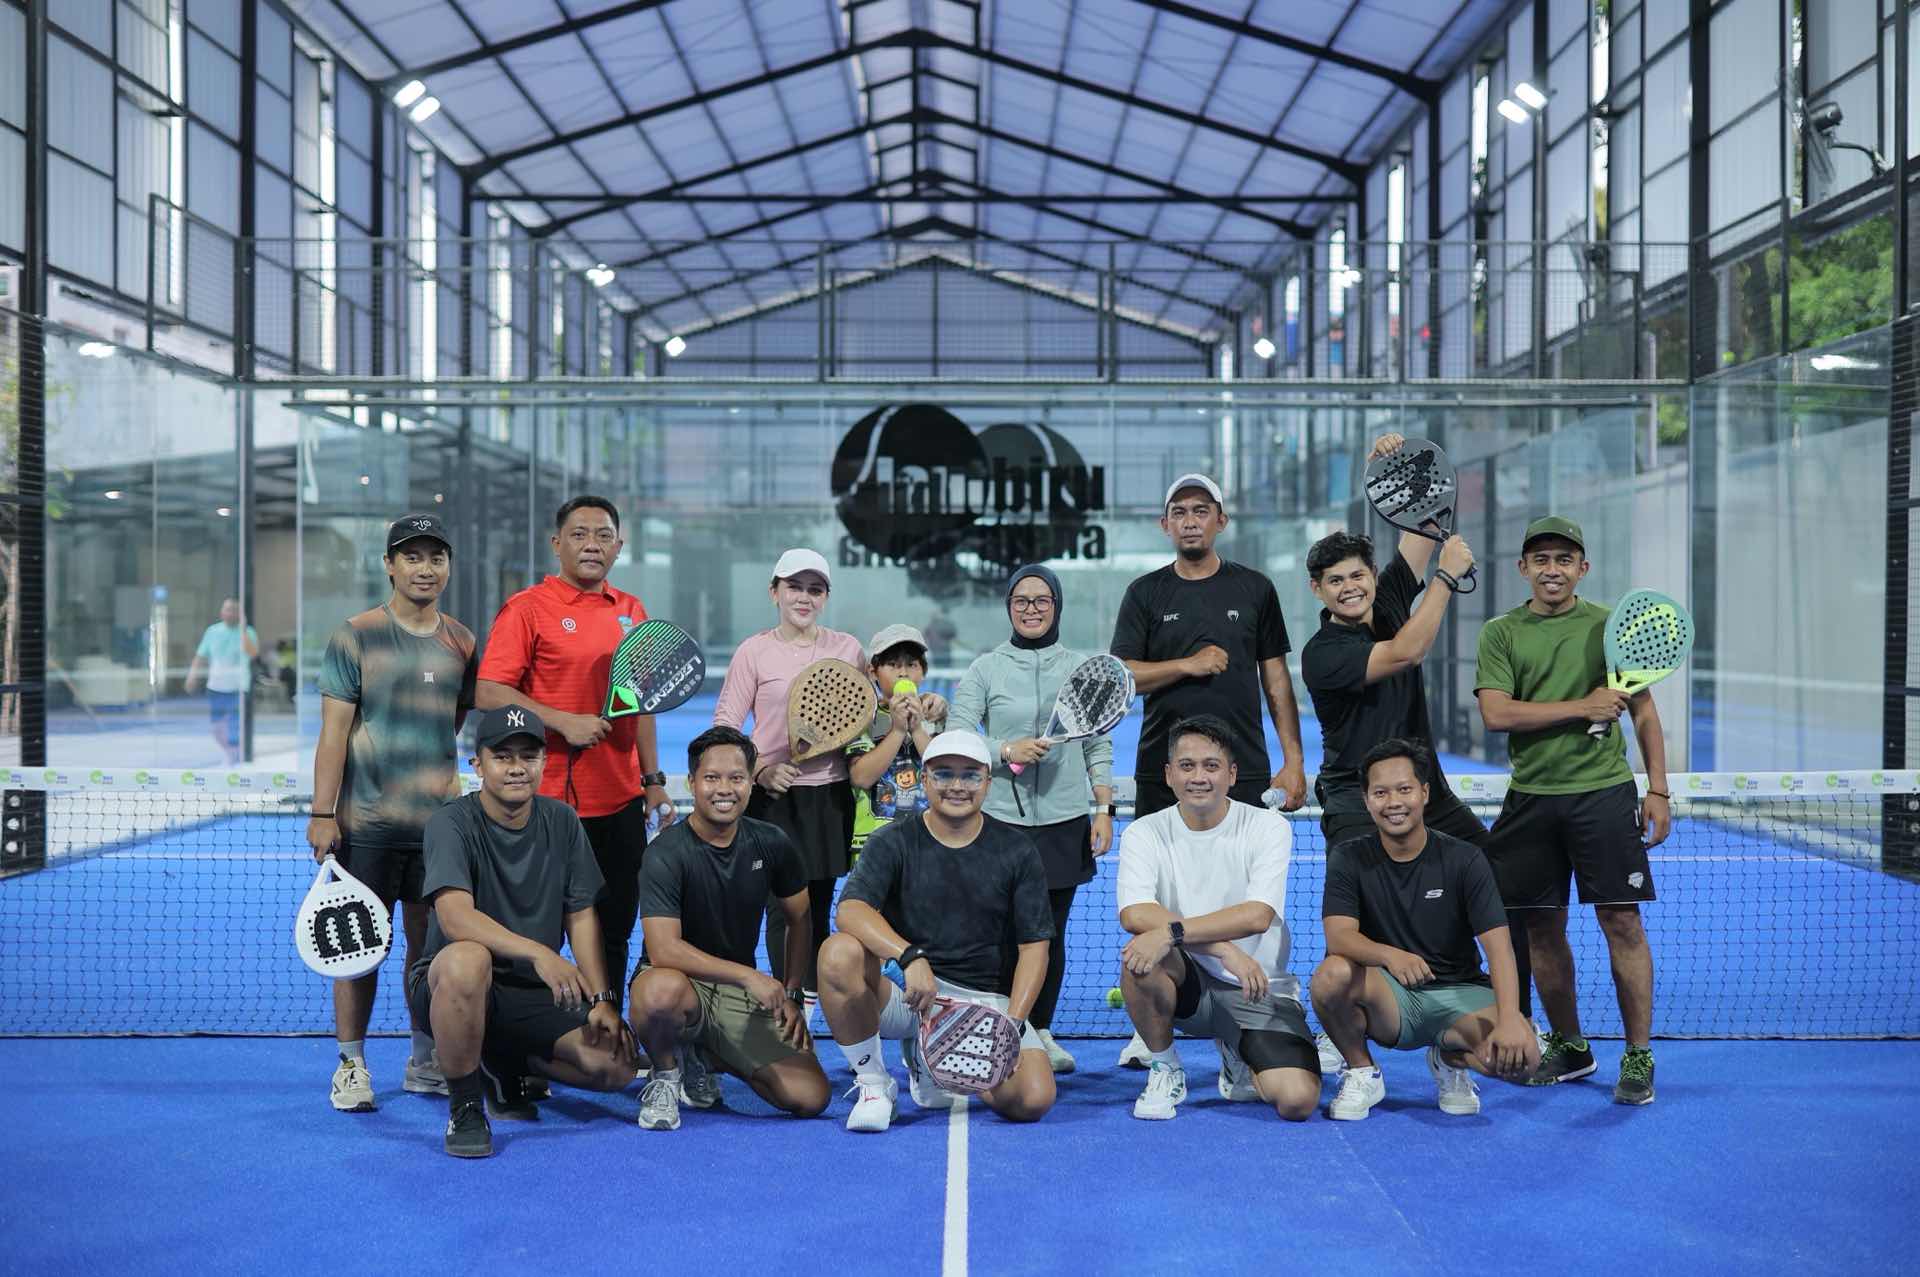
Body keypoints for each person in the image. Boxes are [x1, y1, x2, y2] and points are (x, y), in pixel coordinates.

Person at [1297, 433, 1532, 1036]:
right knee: (1360, 919)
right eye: (1335, 581)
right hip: (1357, 799)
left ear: (1373, 576)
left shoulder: (1390, 596)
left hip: (1428, 788)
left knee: (1500, 884)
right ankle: (1347, 1034)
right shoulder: (1323, 652)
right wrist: (1447, 580)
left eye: (1358, 575)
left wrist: (1393, 469)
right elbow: (1405, 651)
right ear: (1318, 590)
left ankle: (1509, 1018)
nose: (1350, 587)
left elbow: (1420, 527)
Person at [1110, 472, 1308, 1068]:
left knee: (1243, 889)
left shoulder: (1255, 588)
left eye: (1201, 509)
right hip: (1162, 771)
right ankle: (1155, 1020)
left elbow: (1276, 677)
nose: (1190, 520)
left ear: (1221, 520)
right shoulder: (1144, 593)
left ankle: (1246, 1007)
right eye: (1179, 511)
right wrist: (1187, 664)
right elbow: (1122, 676)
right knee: (1156, 891)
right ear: (1164, 524)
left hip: (1243, 770)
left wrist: (1294, 759)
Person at [1474, 515, 1672, 1105]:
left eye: (1564, 560)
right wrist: (1582, 706)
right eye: (1541, 560)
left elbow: (1643, 713)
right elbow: (1497, 714)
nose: (1552, 570)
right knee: (1541, 926)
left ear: (1582, 568)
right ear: (1523, 569)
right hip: (1532, 798)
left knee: (1622, 922)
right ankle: (1571, 1045)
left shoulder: (1612, 627)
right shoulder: (1500, 633)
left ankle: (1638, 1055)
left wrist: (1658, 789)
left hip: (1603, 795)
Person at [476, 495, 673, 1017]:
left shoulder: (632, 611)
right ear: (556, 543)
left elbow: (641, 701)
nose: (592, 545)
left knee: (613, 930)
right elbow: (489, 691)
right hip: (541, 805)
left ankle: (604, 1028)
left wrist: (652, 779)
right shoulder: (527, 608)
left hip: (620, 804)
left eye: (604, 535)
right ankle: (525, 1042)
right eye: (580, 534)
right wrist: (561, 721)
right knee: (531, 933)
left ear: (619, 546)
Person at [407, 706, 635, 1158]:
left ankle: (502, 1061)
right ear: (478, 765)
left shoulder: (563, 821)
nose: (516, 768)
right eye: (502, 756)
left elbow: (581, 915)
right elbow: (455, 918)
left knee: (615, 1065)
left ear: (543, 762)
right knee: (469, 958)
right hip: (454, 984)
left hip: (531, 991)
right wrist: (539, 953)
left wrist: (602, 999)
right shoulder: (450, 823)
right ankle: (466, 1106)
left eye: (528, 756)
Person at [307, 513, 477, 1112]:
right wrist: (323, 812)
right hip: (368, 826)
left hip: (440, 830)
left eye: (435, 557)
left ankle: (425, 1056)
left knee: (428, 950)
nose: (424, 568)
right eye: (411, 556)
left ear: (448, 566)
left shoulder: (462, 642)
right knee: (359, 949)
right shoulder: (355, 635)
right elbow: (334, 733)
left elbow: (451, 720)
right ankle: (351, 1065)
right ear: (389, 564)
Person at [817, 730, 1056, 1133]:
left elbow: (1035, 947)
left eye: (970, 775)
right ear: (924, 780)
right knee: (838, 953)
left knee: (1032, 1099)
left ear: (988, 782)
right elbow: (851, 910)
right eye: (944, 774)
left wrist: (1011, 1026)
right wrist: (910, 956)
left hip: (986, 1002)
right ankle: (874, 1084)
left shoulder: (1017, 850)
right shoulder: (892, 840)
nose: (957, 786)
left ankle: (932, 1059)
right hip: (911, 997)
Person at [1310, 739, 1539, 1121]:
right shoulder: (1348, 857)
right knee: (1330, 976)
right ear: (1366, 800)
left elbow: (1499, 949)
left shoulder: (1466, 859)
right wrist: (1390, 956)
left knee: (1525, 1061)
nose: (1393, 802)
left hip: (1462, 994)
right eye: (1380, 793)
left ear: (1425, 793)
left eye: (1404, 789)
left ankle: (1449, 1058)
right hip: (1393, 1000)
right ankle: (1363, 1070)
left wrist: (1512, 1017)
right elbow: (1339, 937)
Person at [950, 564, 1115, 1074]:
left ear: (1056, 606)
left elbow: (1097, 744)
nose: (1032, 609)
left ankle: (1039, 1030)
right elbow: (957, 736)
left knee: (1049, 933)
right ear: (1009, 607)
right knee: (1000, 931)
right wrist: (1005, 749)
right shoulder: (986, 669)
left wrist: (1103, 809)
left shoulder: (1080, 668)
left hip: (1065, 823)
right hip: (999, 822)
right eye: (1021, 600)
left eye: (1042, 600)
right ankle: (998, 1024)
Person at [1115, 715, 1320, 1122]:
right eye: (1187, 766)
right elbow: (1135, 913)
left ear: (1232, 774)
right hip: (1188, 985)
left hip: (1258, 988)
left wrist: (1172, 931)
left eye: (1211, 766)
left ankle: (1238, 1051)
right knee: (1141, 955)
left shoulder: (1267, 827)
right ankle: (1165, 1067)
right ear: (1169, 775)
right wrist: (1224, 950)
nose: (1199, 777)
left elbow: (1257, 915)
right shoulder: (1144, 832)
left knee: (1297, 1101)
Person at [628, 726, 831, 1131]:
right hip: (677, 981)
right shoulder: (665, 853)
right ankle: (666, 1074)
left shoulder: (772, 843)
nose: (725, 789)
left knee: (810, 1096)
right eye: (712, 778)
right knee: (658, 993)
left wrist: (792, 991)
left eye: (736, 778)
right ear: (692, 782)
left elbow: (799, 918)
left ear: (751, 783)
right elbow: (664, 949)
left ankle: (704, 1055)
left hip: (736, 994)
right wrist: (750, 976)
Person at [713, 548, 867, 1001]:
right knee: (781, 906)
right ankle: (787, 1000)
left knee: (818, 904)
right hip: (771, 801)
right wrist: (759, 769)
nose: (804, 597)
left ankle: (814, 1002)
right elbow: (726, 725)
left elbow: (864, 712)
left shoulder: (847, 649)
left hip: (830, 798)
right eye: (794, 587)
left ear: (826, 597)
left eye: (814, 589)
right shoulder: (754, 651)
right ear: (774, 592)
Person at [847, 624, 948, 866]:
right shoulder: (861, 717)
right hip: (873, 843)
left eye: (912, 665)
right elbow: (861, 777)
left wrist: (917, 729)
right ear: (873, 672)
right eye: (892, 665)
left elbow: (944, 777)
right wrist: (898, 730)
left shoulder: (936, 715)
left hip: (930, 840)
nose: (903, 673)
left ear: (923, 672)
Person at [185, 597, 258, 765]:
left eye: (234, 610)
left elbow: (253, 654)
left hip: (239, 688)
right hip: (216, 687)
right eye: (227, 609)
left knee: (235, 727)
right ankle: (231, 754)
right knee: (217, 728)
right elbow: (200, 656)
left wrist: (243, 630)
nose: (230, 613)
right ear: (221, 612)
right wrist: (192, 675)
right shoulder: (212, 631)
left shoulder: (248, 632)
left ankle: (237, 758)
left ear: (240, 614)